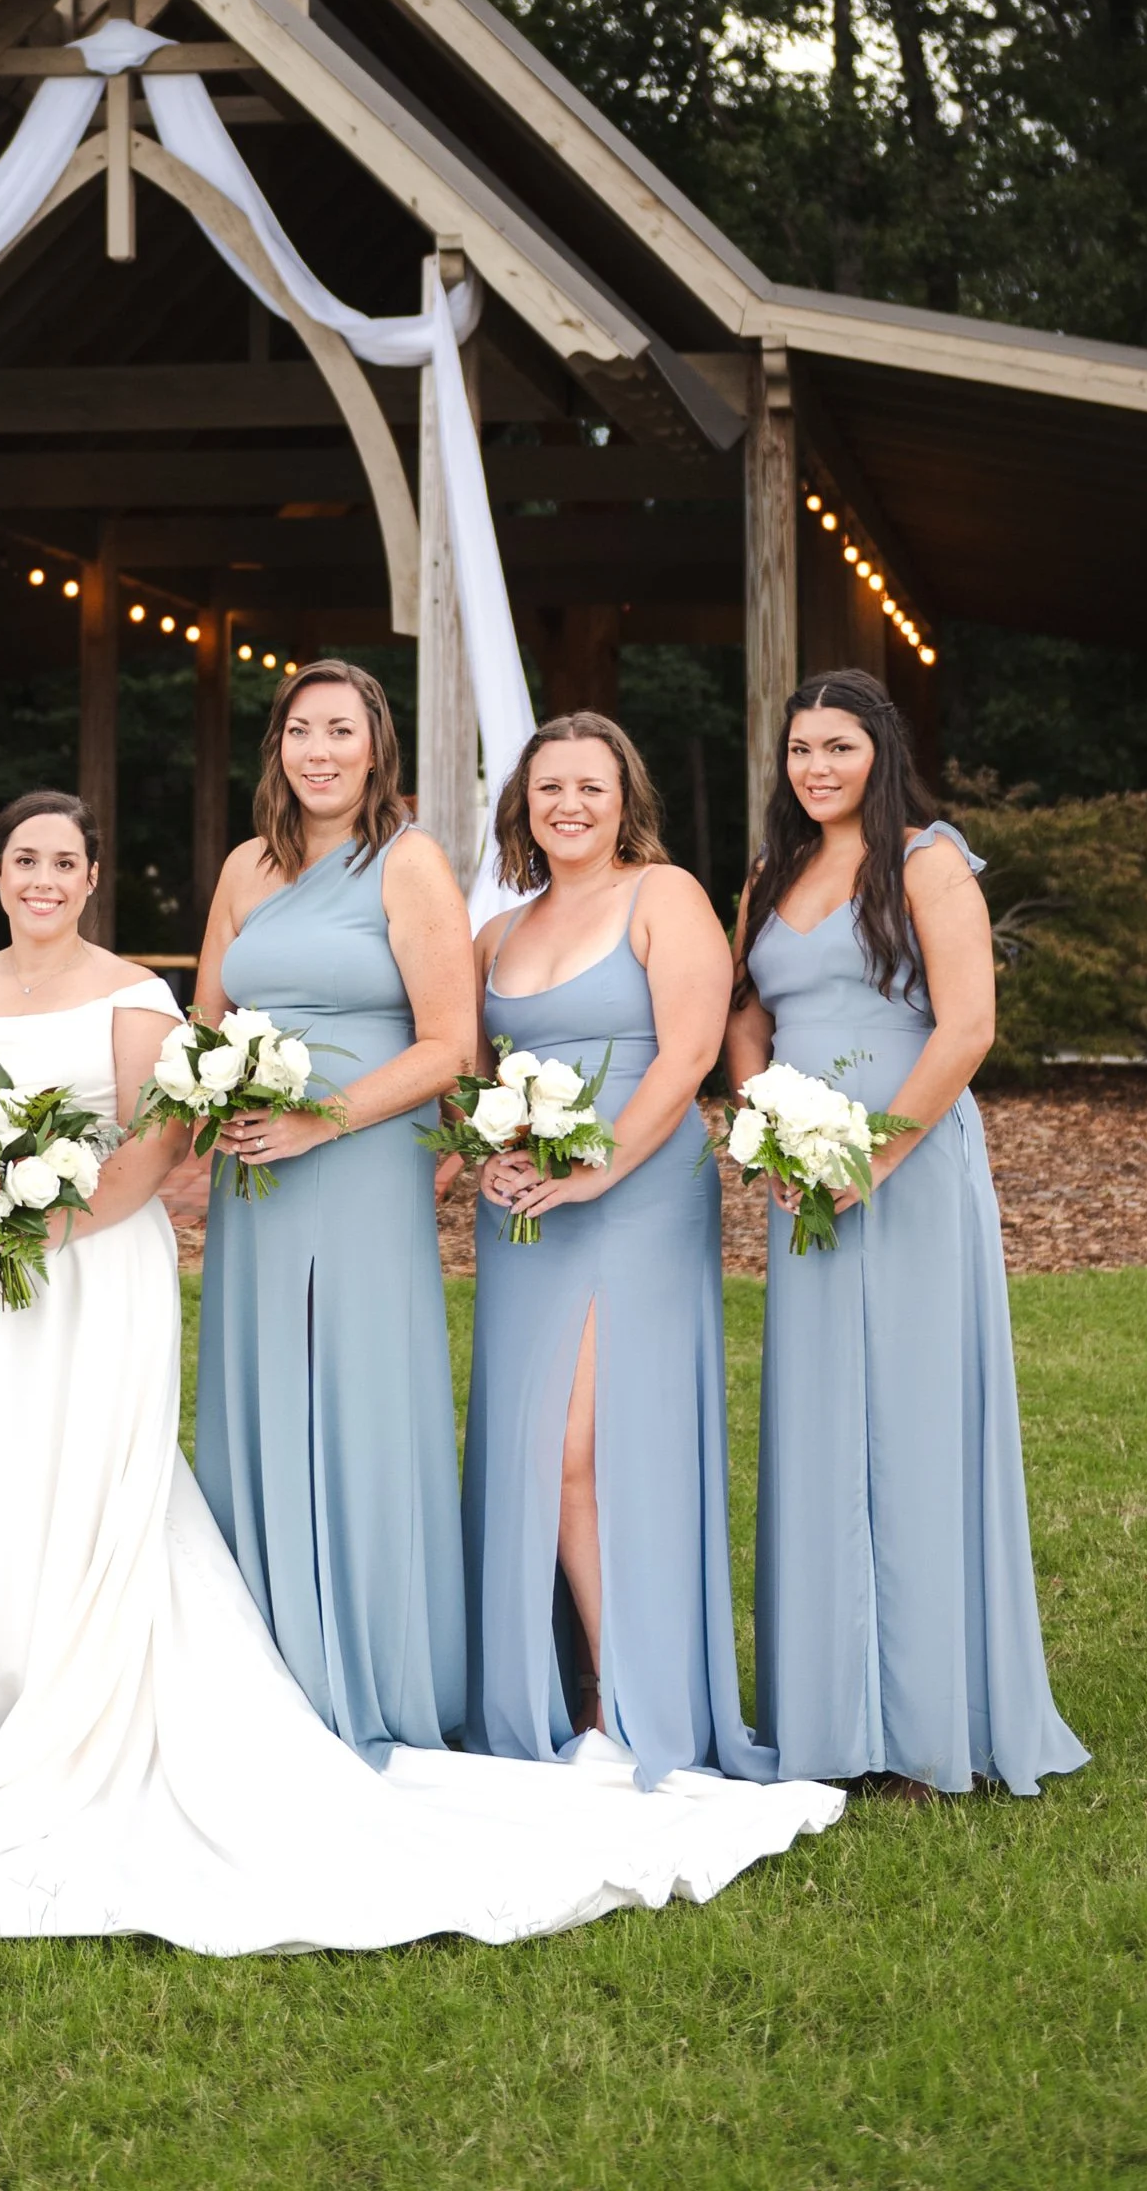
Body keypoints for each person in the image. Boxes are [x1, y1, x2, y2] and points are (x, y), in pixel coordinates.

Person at [0, 791, 842, 1949]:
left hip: (88, 1260)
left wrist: (47, 1221)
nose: (45, 879)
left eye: (67, 859)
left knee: (97, 1470)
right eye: (25, 861)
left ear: (94, 875)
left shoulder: (138, 988)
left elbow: (162, 1130)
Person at [731, 667, 1088, 1800]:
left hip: (911, 1165)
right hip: (802, 1179)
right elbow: (744, 1011)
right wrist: (765, 1126)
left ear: (879, 753)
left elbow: (969, 1022)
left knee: (918, 1422)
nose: (817, 768)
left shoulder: (927, 860)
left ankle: (935, 1721)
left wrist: (873, 1153)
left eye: (838, 747)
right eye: (801, 750)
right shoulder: (769, 872)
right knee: (820, 1421)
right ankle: (831, 1721)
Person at [463, 712, 772, 1784]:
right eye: (550, 789)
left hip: (635, 1197)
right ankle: (570, 1682)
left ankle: (624, 1696)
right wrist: (487, 1156)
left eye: (591, 788)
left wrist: (595, 1172)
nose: (570, 807)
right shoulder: (498, 936)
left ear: (624, 797)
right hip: (528, 1215)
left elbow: (689, 1055)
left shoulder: (665, 895)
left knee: (584, 1451)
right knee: (532, 1448)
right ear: (524, 806)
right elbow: (473, 1079)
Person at [190, 661, 474, 1761]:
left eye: (340, 731)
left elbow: (450, 1043)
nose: (318, 751)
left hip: (358, 1159)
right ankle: (260, 1660)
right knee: (260, 1386)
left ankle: (373, 1662)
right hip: (256, 1171)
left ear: (375, 747)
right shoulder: (245, 869)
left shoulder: (408, 862)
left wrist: (326, 1120)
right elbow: (205, 1024)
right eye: (300, 730)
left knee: (356, 1387)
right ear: (279, 746)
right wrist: (210, 1110)